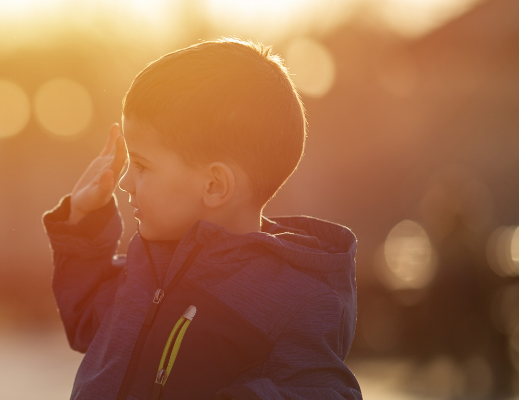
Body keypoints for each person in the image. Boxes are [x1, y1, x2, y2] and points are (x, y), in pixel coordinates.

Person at [43, 38, 361, 399]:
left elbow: (327, 390)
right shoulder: (148, 266)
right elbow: (87, 317)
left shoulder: (292, 297)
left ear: (213, 185)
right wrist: (84, 218)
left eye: (143, 165)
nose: (125, 182)